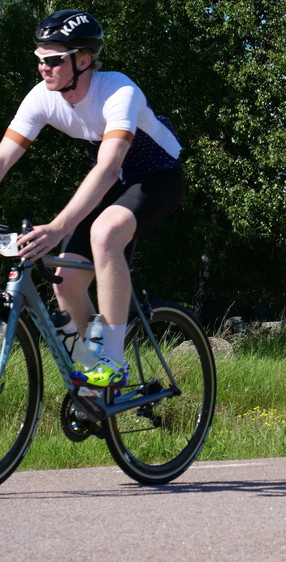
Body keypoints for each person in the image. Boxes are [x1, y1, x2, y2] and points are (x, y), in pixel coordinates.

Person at [0, 10, 184, 388]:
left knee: (105, 234)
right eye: (39, 59)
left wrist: (58, 226)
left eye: (52, 60)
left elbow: (107, 165)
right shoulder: (42, 98)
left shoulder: (119, 91)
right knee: (64, 280)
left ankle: (113, 361)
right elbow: (3, 156)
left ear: (83, 61)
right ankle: (92, 377)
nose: (43, 68)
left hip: (158, 177)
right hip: (114, 182)